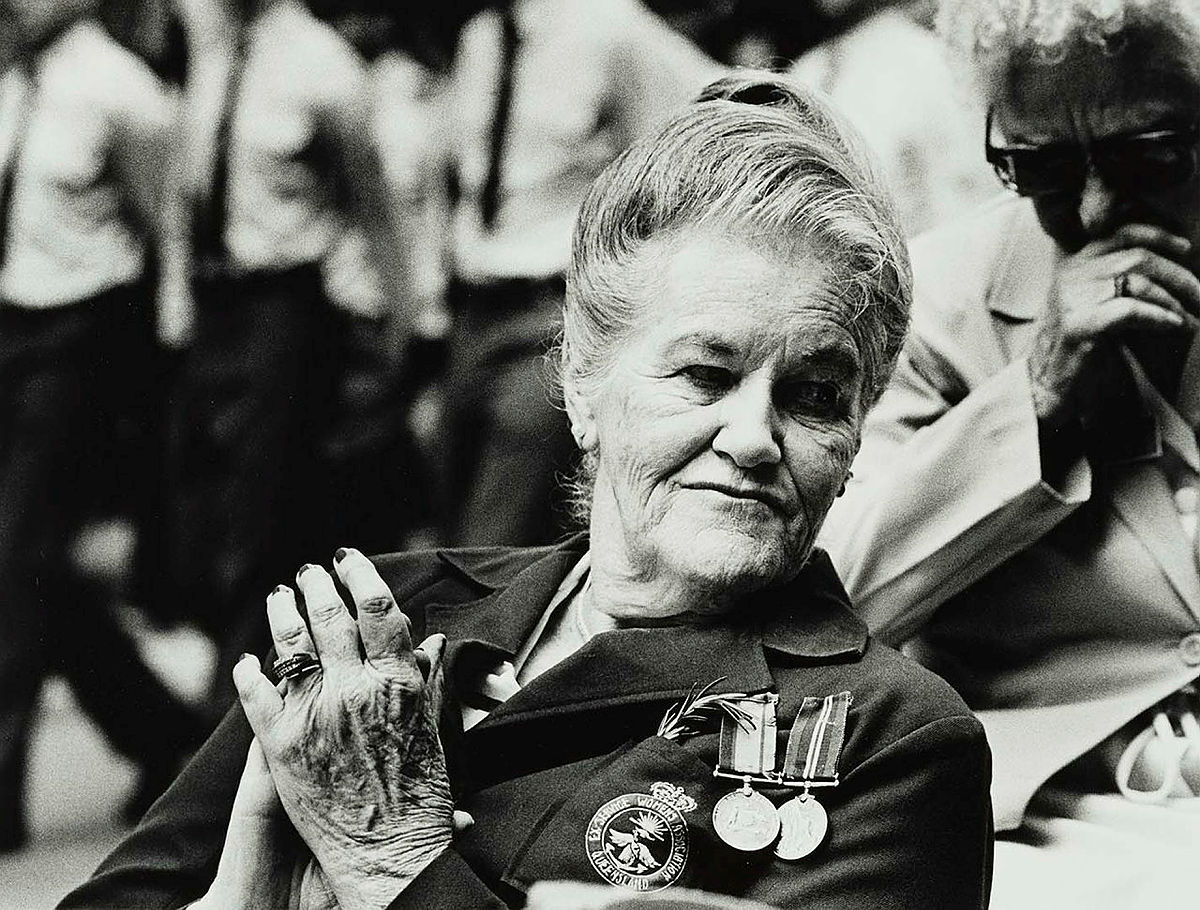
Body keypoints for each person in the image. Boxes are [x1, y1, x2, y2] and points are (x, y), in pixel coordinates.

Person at [59, 74, 992, 910]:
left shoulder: (892, 741)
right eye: (706, 375)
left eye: (816, 396)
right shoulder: (383, 615)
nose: (754, 437)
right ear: (584, 383)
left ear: (855, 435)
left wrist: (393, 859)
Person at [819, 1, 1200, 905]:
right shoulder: (933, 302)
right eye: (1043, 169)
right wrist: (1033, 402)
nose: (1095, 210)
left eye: (1149, 155)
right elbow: (828, 600)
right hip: (1058, 817)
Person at [162, 0, 425, 711]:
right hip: (212, 304)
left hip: (285, 307)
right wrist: (176, 306)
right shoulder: (212, 42)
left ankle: (228, 718)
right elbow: (185, 188)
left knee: (261, 520)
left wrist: (402, 327)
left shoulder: (321, 63)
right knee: (201, 518)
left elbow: (372, 205)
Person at [0, 0, 209, 850]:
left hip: (80, 338)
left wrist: (161, 377)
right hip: (8, 327)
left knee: (13, 556)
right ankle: (161, 731)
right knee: (37, 573)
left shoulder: (123, 91)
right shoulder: (14, 74)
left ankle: (1, 785)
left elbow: (169, 234)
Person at [437, 0, 719, 548]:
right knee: (448, 506)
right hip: (473, 312)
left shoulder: (613, 28)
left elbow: (699, 141)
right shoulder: (482, 35)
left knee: (494, 531)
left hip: (553, 312)